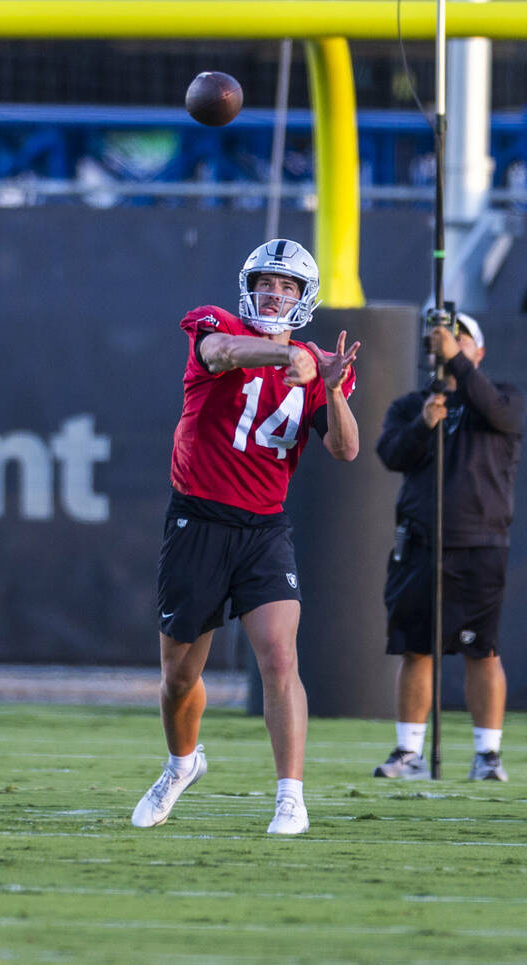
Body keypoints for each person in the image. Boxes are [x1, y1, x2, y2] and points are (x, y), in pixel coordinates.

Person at [132, 238, 360, 836]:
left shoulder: (314, 366)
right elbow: (224, 351)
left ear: (304, 298)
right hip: (198, 520)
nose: (274, 294)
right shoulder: (220, 324)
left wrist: (331, 385)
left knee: (280, 657)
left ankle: (291, 796)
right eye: (266, 283)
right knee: (179, 676)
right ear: (248, 286)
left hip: (264, 527)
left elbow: (346, 449)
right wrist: (288, 357)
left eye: (287, 287)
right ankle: (183, 763)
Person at [372, 312, 523, 782]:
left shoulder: (501, 397)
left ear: (476, 350)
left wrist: (458, 363)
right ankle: (409, 752)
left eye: (459, 340)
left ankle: (487, 755)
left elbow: (501, 415)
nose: (446, 347)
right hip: (418, 544)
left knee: (482, 650)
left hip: (479, 544)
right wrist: (423, 424)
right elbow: (391, 455)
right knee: (416, 648)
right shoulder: (410, 405)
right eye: (440, 341)